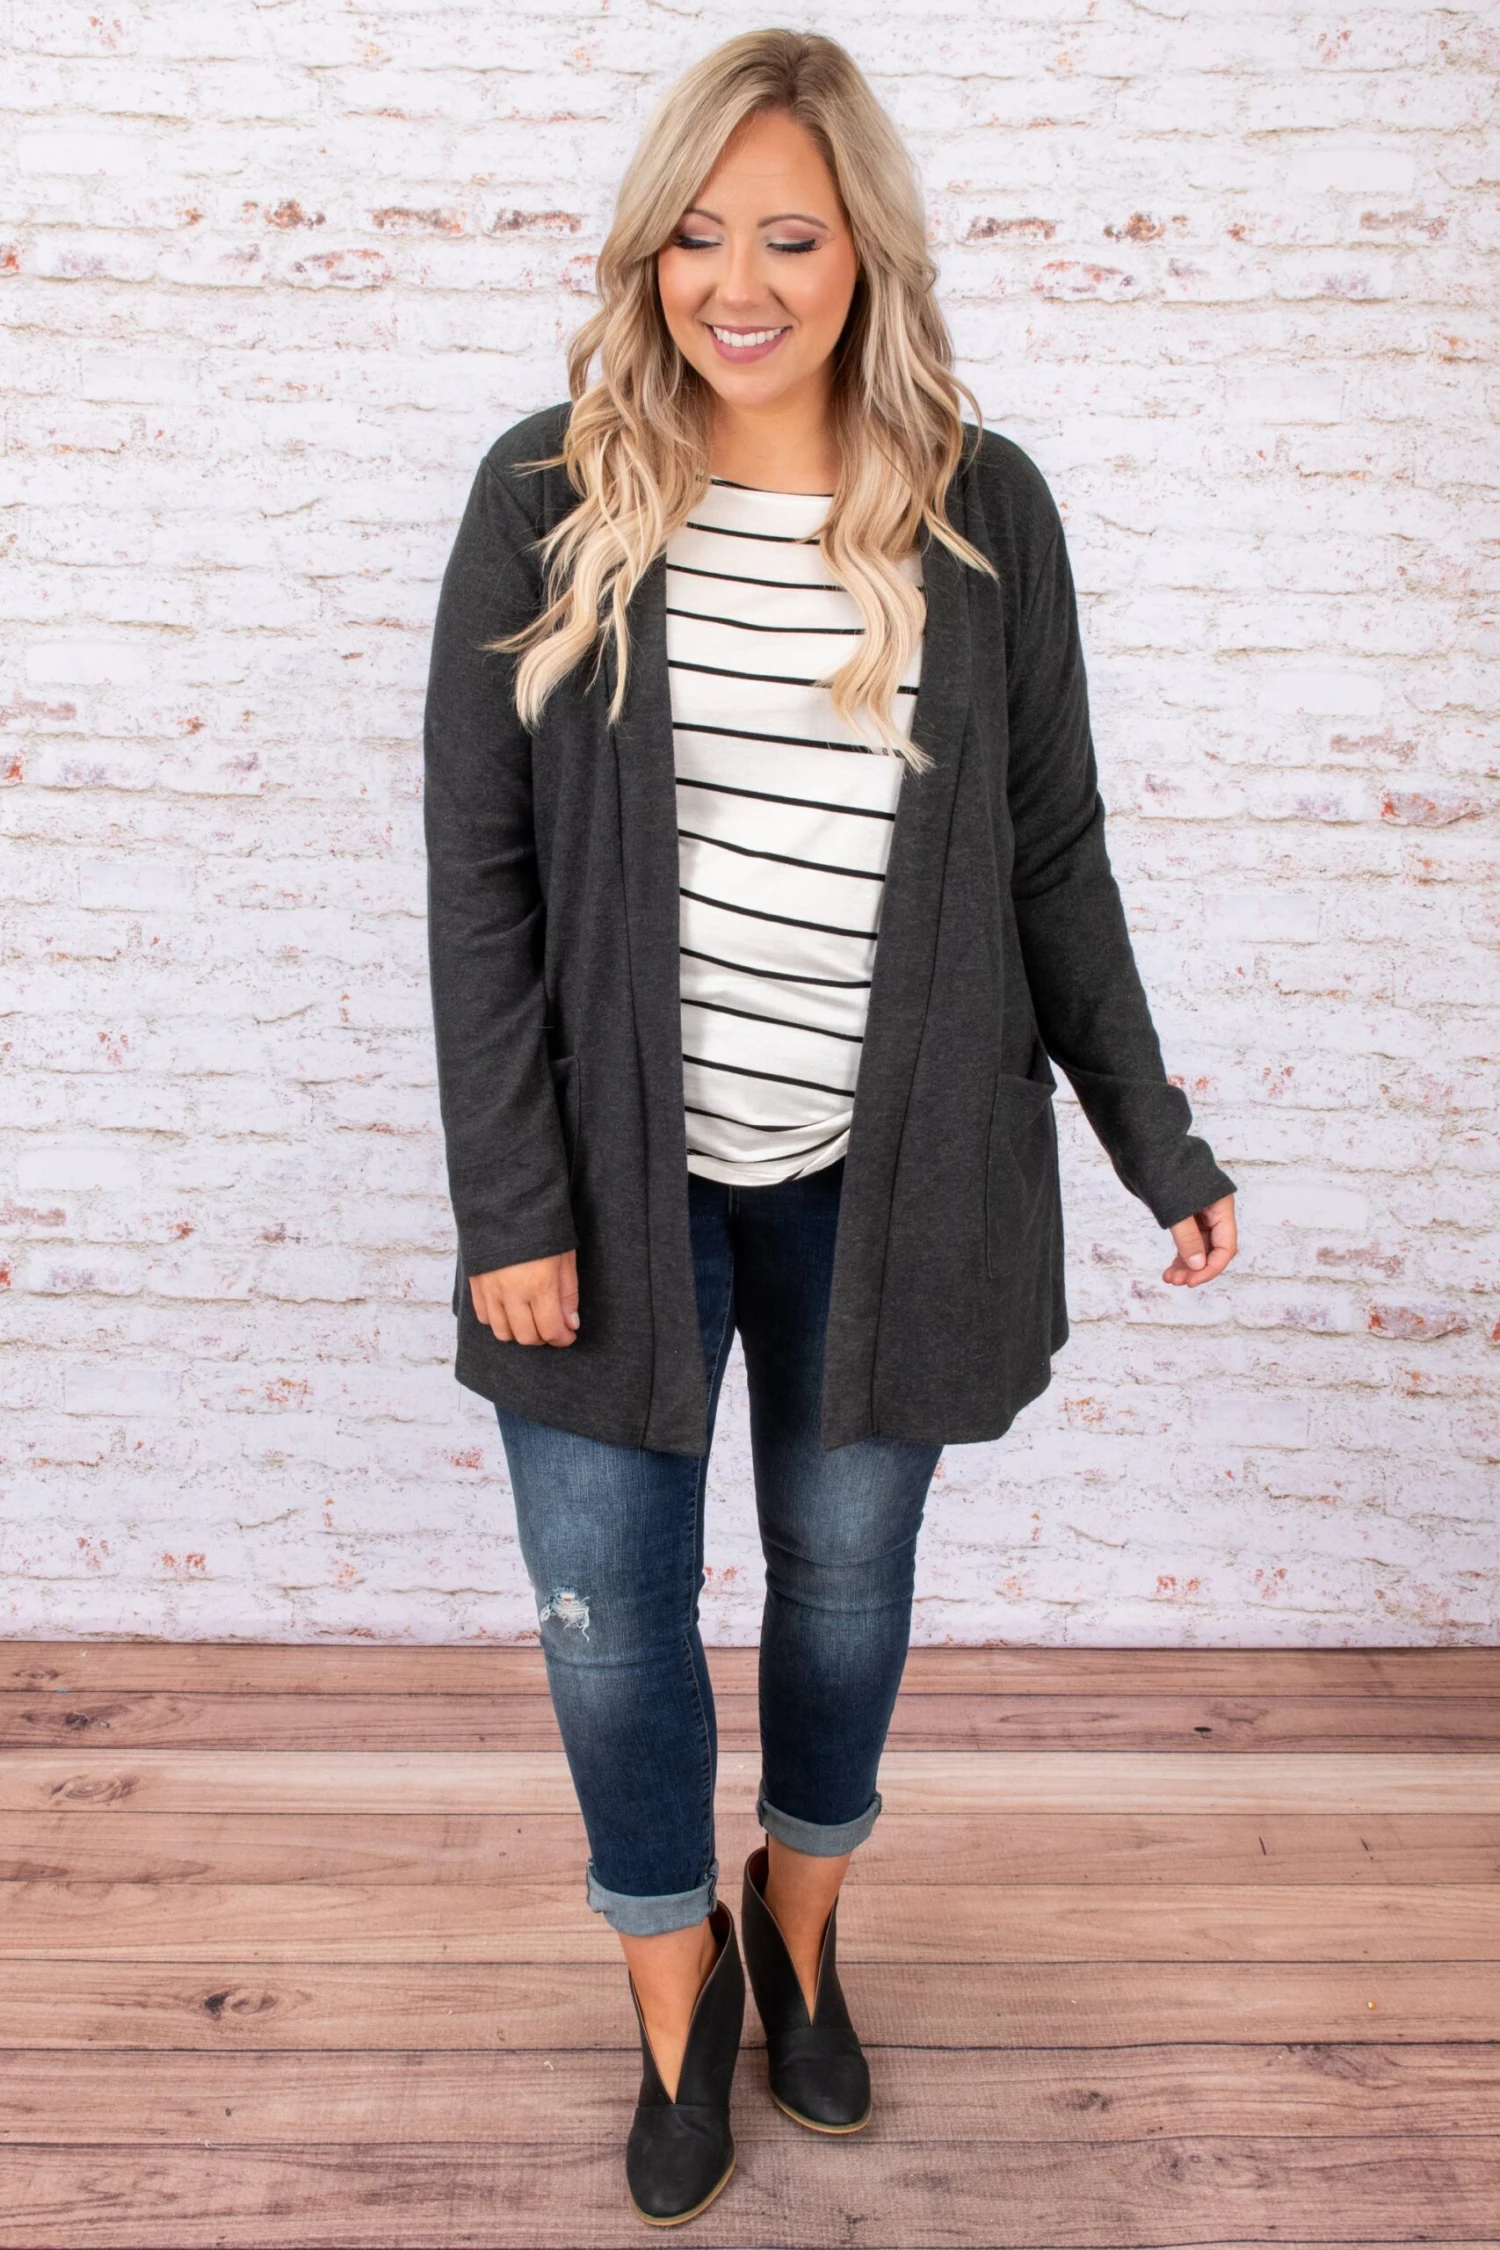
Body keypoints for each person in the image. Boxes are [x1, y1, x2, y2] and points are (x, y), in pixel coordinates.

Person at [423, 27, 1237, 2230]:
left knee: (849, 1582)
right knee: (608, 1616)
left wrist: (1156, 1138)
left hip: (896, 1179)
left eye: (788, 236)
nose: (739, 282)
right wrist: (509, 1200)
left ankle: (801, 1924)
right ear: (649, 254)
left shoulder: (983, 507)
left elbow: (1052, 856)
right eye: (698, 236)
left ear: (865, 250)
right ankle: (672, 1991)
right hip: (605, 1183)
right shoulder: (545, 495)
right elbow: (480, 880)